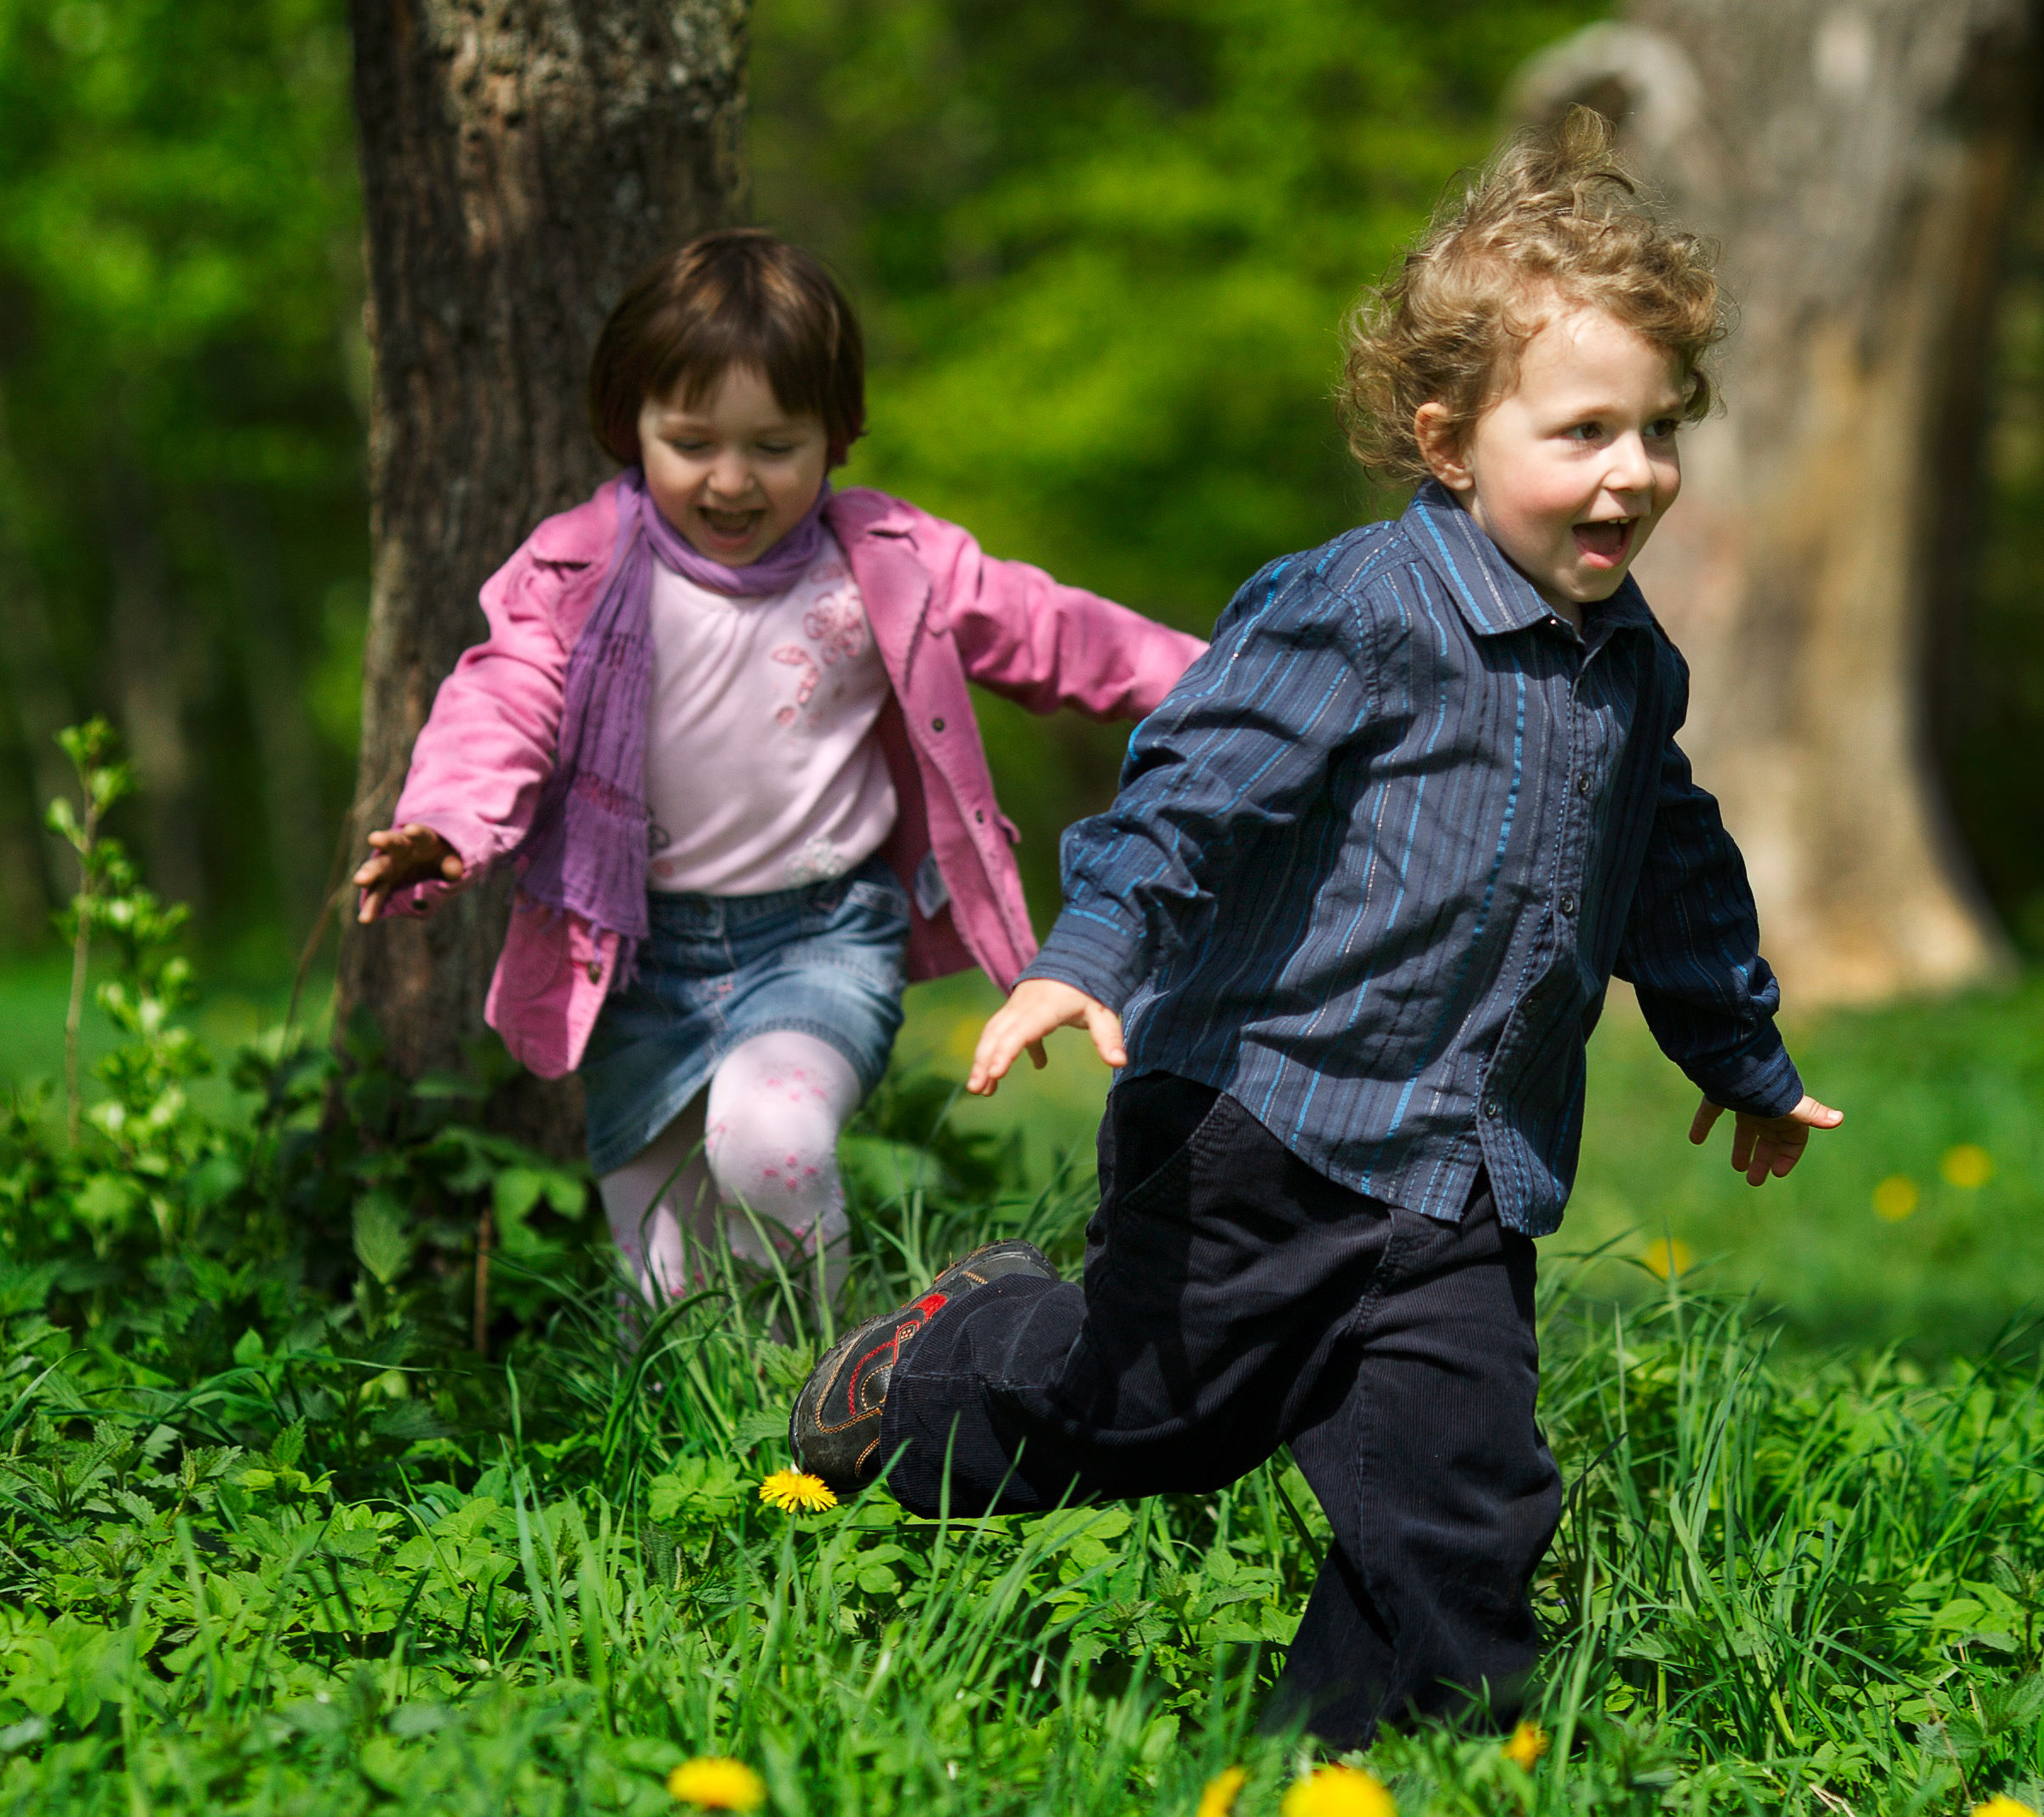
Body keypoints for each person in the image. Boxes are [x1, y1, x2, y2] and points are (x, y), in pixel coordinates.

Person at [784, 115, 1845, 1746]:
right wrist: (1087, 954)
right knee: (1145, 1417)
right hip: (1257, 1125)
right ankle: (930, 1362)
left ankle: (1344, 1765)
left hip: (1463, 1169)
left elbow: (1671, 861)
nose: (1629, 470)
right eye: (1581, 432)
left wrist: (1737, 1048)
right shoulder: (1351, 608)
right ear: (1449, 440)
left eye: (1656, 429)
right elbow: (1188, 792)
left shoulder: (1633, 664)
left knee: (1465, 1507)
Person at [353, 230, 1203, 1320]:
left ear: (833, 438)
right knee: (660, 1288)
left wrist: (1228, 678)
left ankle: (830, 1393)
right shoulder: (579, 568)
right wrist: (446, 826)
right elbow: (501, 699)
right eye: (691, 439)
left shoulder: (885, 562)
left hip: (819, 937)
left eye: (773, 444)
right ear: (633, 426)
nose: (731, 479)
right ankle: (702, 1460)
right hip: (636, 951)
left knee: (769, 1143)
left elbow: (1056, 634)